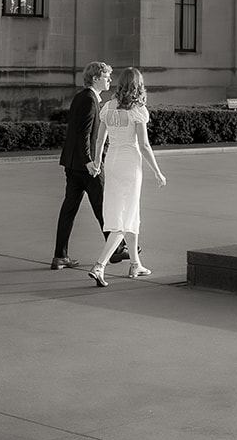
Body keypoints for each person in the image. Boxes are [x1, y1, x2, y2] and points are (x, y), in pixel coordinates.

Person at [87, 67, 166, 285]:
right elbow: (144, 145)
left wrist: (97, 162)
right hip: (130, 164)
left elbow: (99, 141)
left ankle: (135, 263)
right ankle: (100, 265)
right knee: (125, 217)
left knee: (128, 214)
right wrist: (158, 172)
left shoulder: (108, 107)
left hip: (111, 162)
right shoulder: (138, 110)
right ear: (138, 86)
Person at [52, 61, 125, 268]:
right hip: (87, 166)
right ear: (95, 78)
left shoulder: (83, 98)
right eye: (106, 77)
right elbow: (83, 135)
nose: (110, 80)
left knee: (70, 209)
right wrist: (90, 162)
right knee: (104, 207)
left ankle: (60, 256)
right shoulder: (89, 100)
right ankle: (117, 250)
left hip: (74, 165)